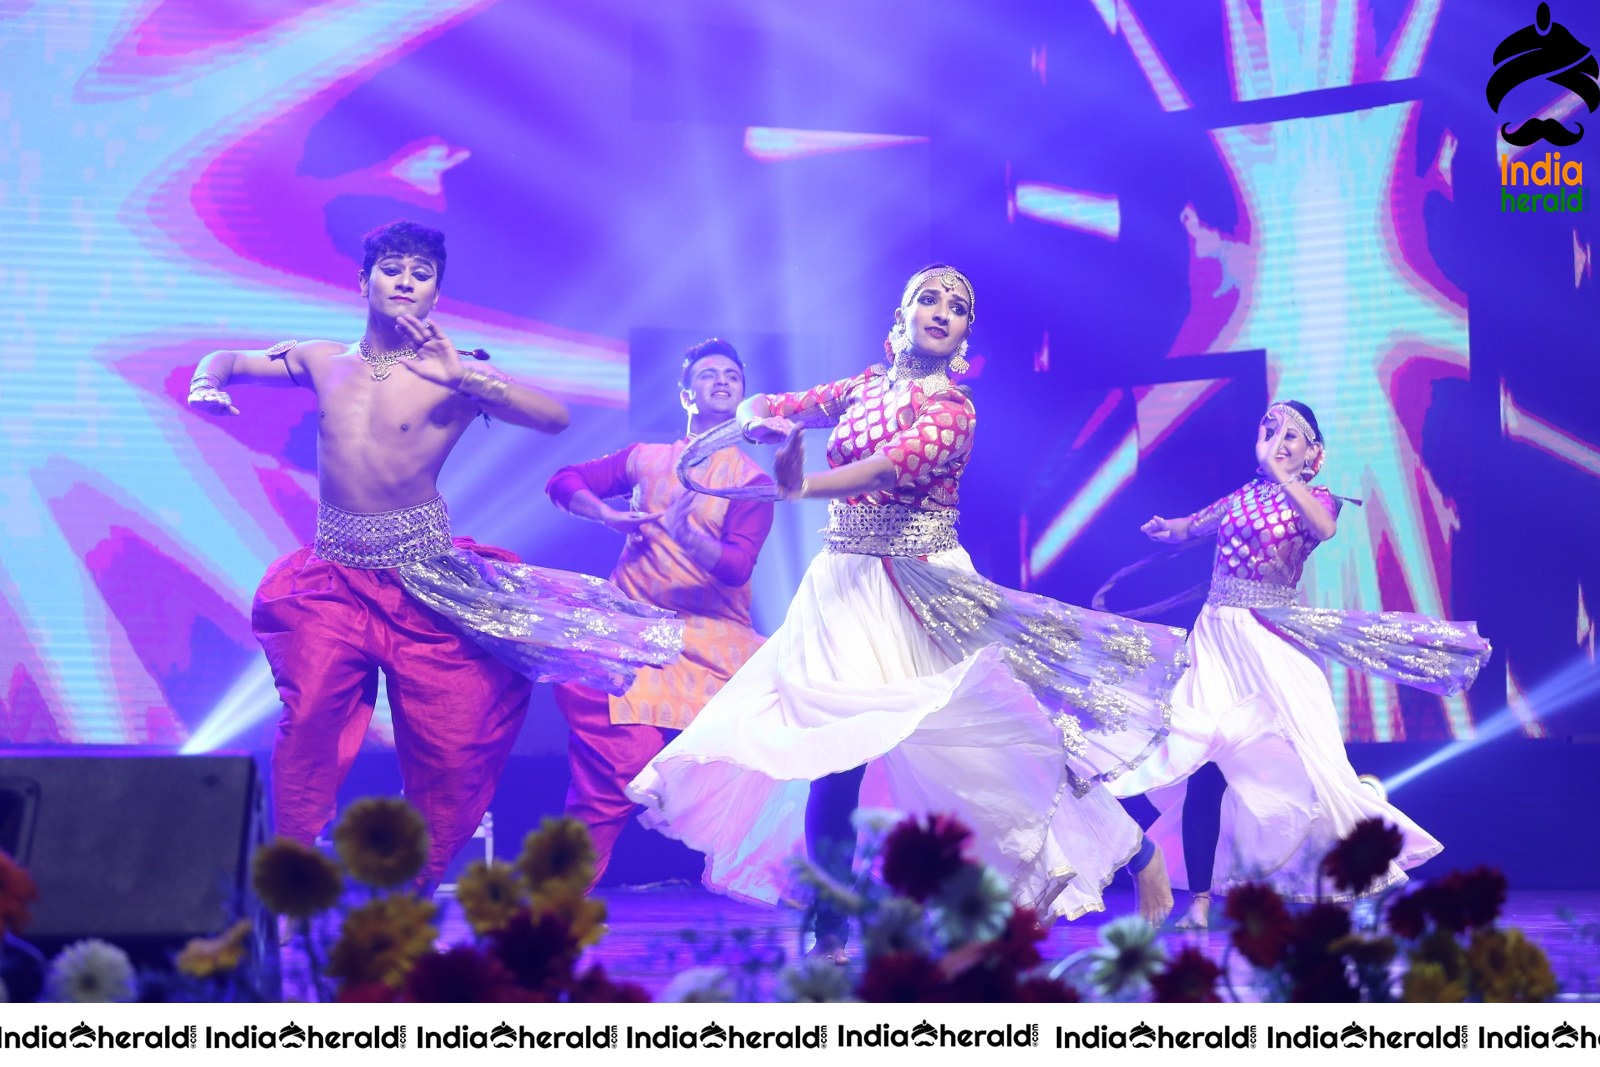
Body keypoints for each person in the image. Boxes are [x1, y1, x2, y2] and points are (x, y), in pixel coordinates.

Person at [627, 265, 1192, 958]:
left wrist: (799, 485)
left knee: (1016, 743)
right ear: (900, 317)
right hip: (842, 589)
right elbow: (777, 403)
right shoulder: (861, 386)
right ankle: (829, 917)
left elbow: (886, 470)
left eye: (959, 308)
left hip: (927, 591)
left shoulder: (954, 409)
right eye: (931, 298)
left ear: (961, 339)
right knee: (835, 753)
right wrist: (755, 420)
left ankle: (1138, 854)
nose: (944, 310)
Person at [187, 220, 683, 888]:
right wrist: (206, 381)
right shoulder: (320, 359)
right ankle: (287, 881)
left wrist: (471, 381)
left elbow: (553, 418)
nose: (406, 280)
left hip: (426, 585)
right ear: (364, 282)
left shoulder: (456, 375)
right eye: (393, 268)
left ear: (435, 298)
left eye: (421, 274)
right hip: (331, 581)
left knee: (452, 753)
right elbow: (230, 359)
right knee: (306, 724)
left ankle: (410, 892)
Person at [1113, 401, 1490, 927]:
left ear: (1314, 455)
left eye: (1293, 436)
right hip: (1216, 639)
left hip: (1270, 646)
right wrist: (1166, 528)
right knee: (1206, 764)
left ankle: (1355, 868)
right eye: (1270, 430)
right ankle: (1199, 902)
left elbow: (1325, 530)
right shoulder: (1245, 495)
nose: (1279, 440)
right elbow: (1192, 528)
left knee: (1311, 767)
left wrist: (1286, 478)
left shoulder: (1317, 499)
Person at [545, 338, 775, 884]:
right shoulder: (646, 458)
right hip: (634, 634)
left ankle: (799, 894)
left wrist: (688, 539)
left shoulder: (754, 483)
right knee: (618, 768)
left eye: (732, 376)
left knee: (773, 763)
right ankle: (555, 904)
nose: (721, 381)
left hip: (715, 644)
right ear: (685, 393)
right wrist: (605, 513)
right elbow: (564, 481)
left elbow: (737, 567)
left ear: (744, 397)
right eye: (707, 375)